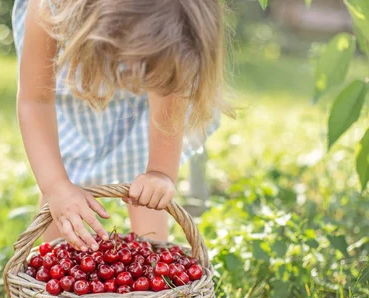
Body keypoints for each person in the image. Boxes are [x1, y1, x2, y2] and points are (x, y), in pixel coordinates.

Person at [12, 0, 226, 251]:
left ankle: (154, 278)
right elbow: (35, 101)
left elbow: (169, 89)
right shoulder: (49, 8)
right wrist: (56, 188)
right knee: (62, 194)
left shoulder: (168, 23)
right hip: (68, 83)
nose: (132, 70)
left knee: (147, 193)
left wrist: (160, 172)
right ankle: (55, 271)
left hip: (140, 101)